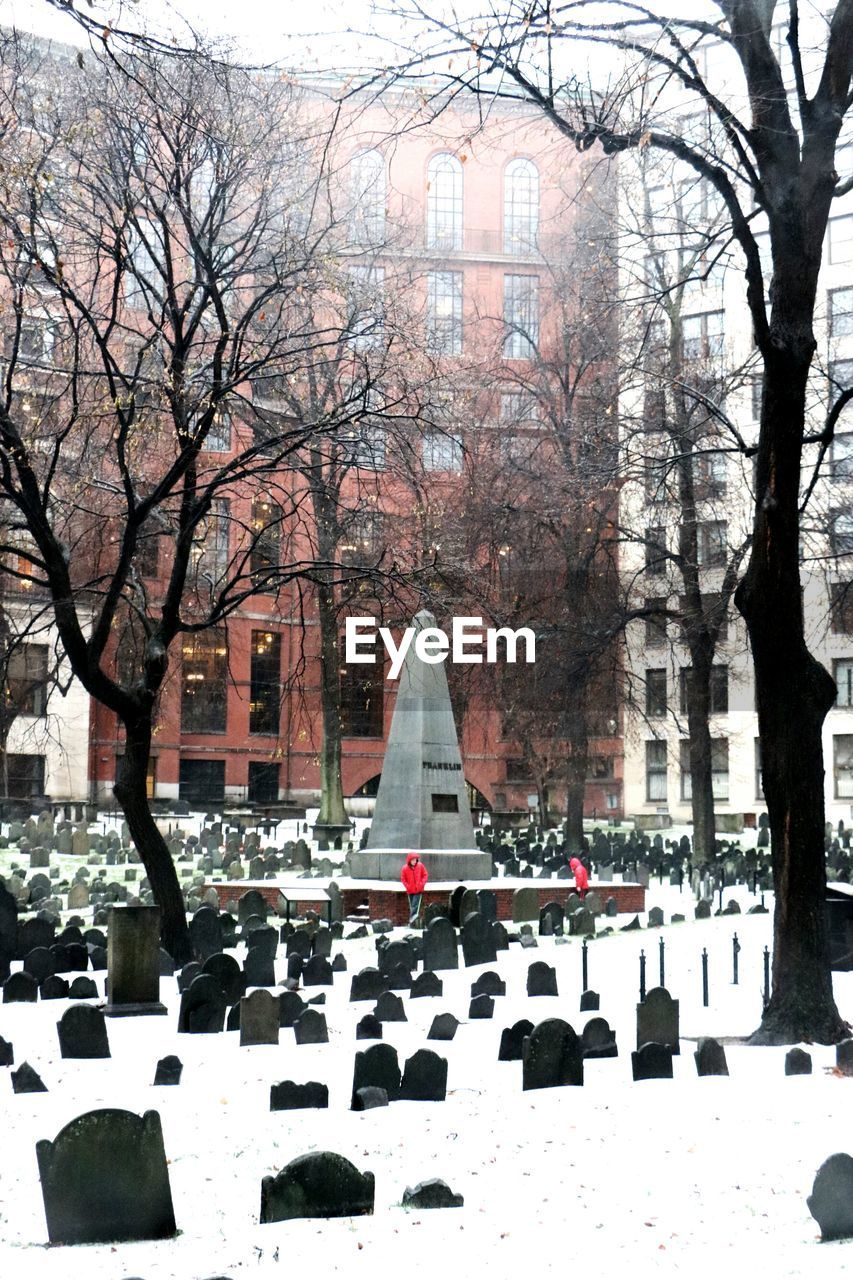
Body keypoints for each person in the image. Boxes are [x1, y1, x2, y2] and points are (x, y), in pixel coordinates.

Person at [401, 852, 428, 926]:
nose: (414, 861)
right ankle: (414, 922)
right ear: (409, 860)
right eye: (413, 860)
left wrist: (421, 884)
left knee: (415, 906)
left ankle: (411, 921)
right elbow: (403, 879)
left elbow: (425, 875)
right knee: (412, 906)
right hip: (410, 890)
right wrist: (408, 886)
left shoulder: (420, 866)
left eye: (415, 860)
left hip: (418, 890)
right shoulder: (405, 868)